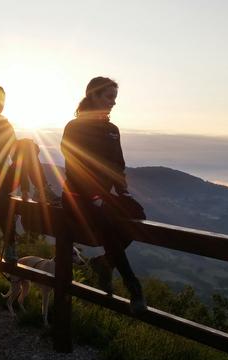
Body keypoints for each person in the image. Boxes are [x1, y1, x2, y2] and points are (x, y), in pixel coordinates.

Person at [61, 76, 147, 314]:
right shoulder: (74, 127)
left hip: (102, 196)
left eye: (114, 98)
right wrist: (93, 197)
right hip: (77, 195)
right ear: (93, 96)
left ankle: (104, 262)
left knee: (138, 215)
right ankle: (133, 286)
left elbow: (118, 165)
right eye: (109, 97)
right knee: (108, 222)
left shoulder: (112, 130)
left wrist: (124, 193)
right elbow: (73, 166)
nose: (113, 103)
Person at [0, 84, 55, 263]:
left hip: (1, 178)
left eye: (2, 100)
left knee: (28, 146)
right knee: (3, 199)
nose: (0, 104)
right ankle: (10, 245)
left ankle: (42, 188)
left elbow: (17, 155)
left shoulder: (5, 125)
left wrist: (29, 148)